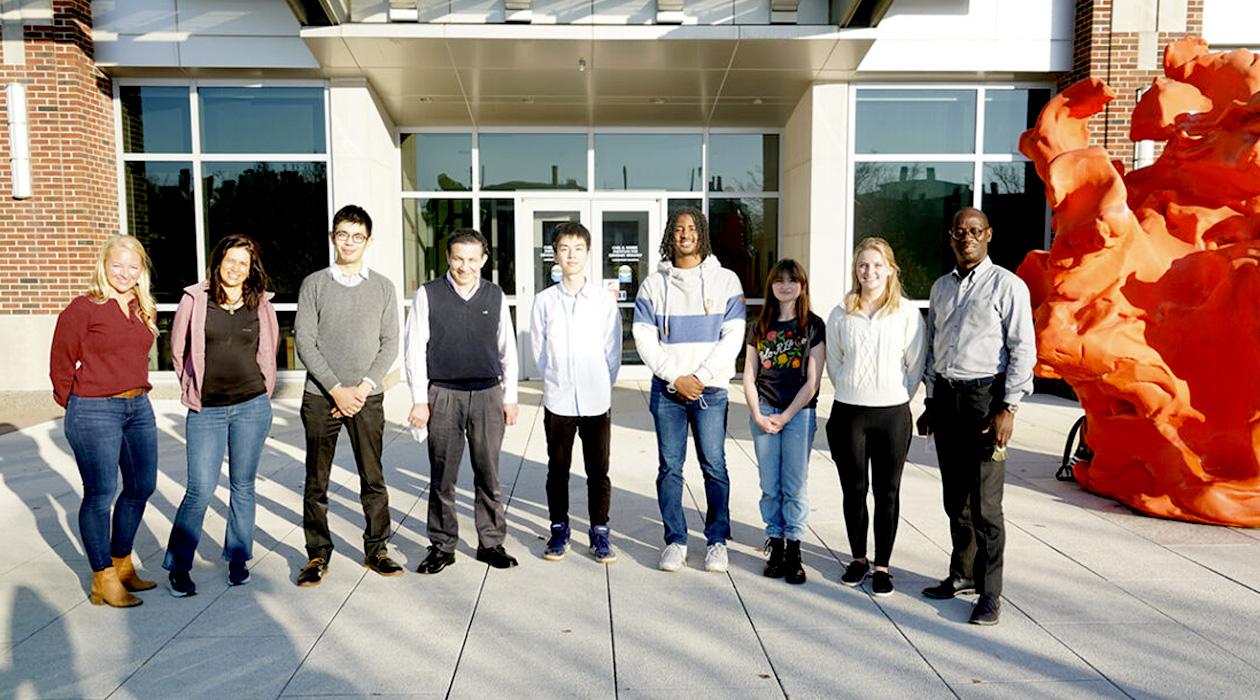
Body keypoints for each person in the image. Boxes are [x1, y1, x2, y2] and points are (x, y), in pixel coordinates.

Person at [917, 207, 1035, 625]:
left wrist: (1010, 407)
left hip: (986, 401)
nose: (965, 237)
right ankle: (962, 574)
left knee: (986, 504)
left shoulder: (1008, 286)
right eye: (958, 232)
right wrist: (930, 401)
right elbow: (933, 349)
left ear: (988, 234)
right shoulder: (941, 288)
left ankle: (990, 592)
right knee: (956, 500)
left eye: (973, 231)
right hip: (948, 400)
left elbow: (1023, 349)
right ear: (951, 238)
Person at [163, 234, 279, 597]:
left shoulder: (260, 304)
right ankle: (179, 566)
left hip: (251, 406)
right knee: (199, 489)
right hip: (207, 411)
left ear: (250, 270)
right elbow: (177, 349)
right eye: (231, 261)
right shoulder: (194, 300)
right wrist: (191, 388)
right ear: (218, 263)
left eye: (243, 264)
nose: (236, 268)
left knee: (243, 486)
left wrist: (263, 390)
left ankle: (238, 559)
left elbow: (268, 351)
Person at [633, 206, 746, 573]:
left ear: (702, 235)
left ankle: (716, 541)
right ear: (670, 234)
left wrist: (699, 377)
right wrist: (674, 377)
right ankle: (676, 541)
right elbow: (643, 338)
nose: (685, 233)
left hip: (710, 391)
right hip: (667, 392)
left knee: (714, 467)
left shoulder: (726, 281)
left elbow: (733, 337)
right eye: (679, 228)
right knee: (670, 468)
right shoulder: (654, 284)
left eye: (692, 228)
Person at [294, 205, 402, 586]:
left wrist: (362, 388)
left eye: (358, 236)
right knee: (316, 481)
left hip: (366, 396)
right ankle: (317, 554)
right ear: (332, 237)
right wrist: (337, 390)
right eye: (343, 234)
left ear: (368, 241)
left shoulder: (384, 287)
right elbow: (305, 342)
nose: (350, 242)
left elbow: (390, 344)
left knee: (373, 477)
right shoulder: (315, 284)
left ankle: (378, 549)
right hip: (322, 396)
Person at [50, 235, 160, 607]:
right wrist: (77, 407)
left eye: (133, 267)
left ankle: (122, 562)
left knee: (141, 486)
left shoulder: (144, 307)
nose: (125, 273)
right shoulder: (84, 308)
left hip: (138, 407)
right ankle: (103, 578)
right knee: (100, 494)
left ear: (141, 270)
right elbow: (60, 365)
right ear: (104, 265)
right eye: (117, 266)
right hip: (94, 409)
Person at [405, 228, 520, 574]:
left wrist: (510, 397)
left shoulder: (495, 295)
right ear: (448, 258)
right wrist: (418, 400)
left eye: (472, 259)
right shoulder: (428, 294)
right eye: (458, 258)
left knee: (489, 473)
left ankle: (491, 542)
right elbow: (414, 350)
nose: (464, 266)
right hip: (443, 394)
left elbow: (507, 351)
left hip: (487, 394)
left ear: (483, 260)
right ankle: (442, 545)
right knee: (443, 474)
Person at [825, 238, 927, 597]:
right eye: (863, 265)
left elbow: (915, 365)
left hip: (892, 414)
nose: (869, 271)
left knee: (887, 492)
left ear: (890, 269)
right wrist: (855, 389)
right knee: (853, 490)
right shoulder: (841, 313)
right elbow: (835, 364)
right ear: (856, 270)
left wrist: (894, 395)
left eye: (877, 265)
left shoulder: (907, 313)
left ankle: (882, 566)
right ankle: (858, 559)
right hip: (848, 412)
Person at [530, 222, 622, 563]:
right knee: (558, 469)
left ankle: (600, 533)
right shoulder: (544, 302)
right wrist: (557, 379)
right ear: (555, 255)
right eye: (564, 249)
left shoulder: (602, 301)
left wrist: (598, 381)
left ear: (587, 254)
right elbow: (540, 352)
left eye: (578, 248)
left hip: (596, 400)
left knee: (598, 472)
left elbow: (612, 352)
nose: (571, 255)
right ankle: (559, 530)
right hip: (559, 400)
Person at [742, 259, 825, 585]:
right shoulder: (759, 325)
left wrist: (786, 415)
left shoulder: (813, 326)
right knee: (769, 485)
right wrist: (758, 414)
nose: (786, 286)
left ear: (802, 285)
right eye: (780, 281)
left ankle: (795, 550)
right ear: (771, 286)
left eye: (793, 280)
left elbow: (813, 381)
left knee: (794, 485)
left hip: (798, 415)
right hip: (763, 410)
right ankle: (775, 545)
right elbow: (749, 375)